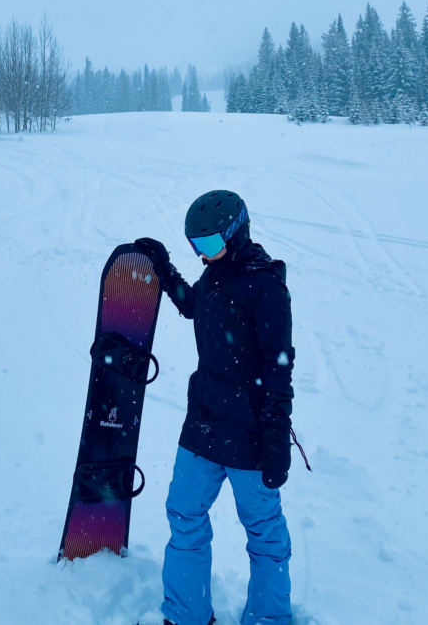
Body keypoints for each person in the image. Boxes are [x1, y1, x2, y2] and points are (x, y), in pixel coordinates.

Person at [135, 190, 295, 625]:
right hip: (204, 422)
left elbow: (279, 368)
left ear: (237, 233)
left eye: (209, 245)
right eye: (196, 247)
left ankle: (268, 619)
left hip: (251, 433)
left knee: (264, 535)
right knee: (184, 515)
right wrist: (165, 270)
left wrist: (278, 436)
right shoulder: (218, 275)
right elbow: (196, 307)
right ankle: (186, 615)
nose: (204, 256)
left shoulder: (265, 286)